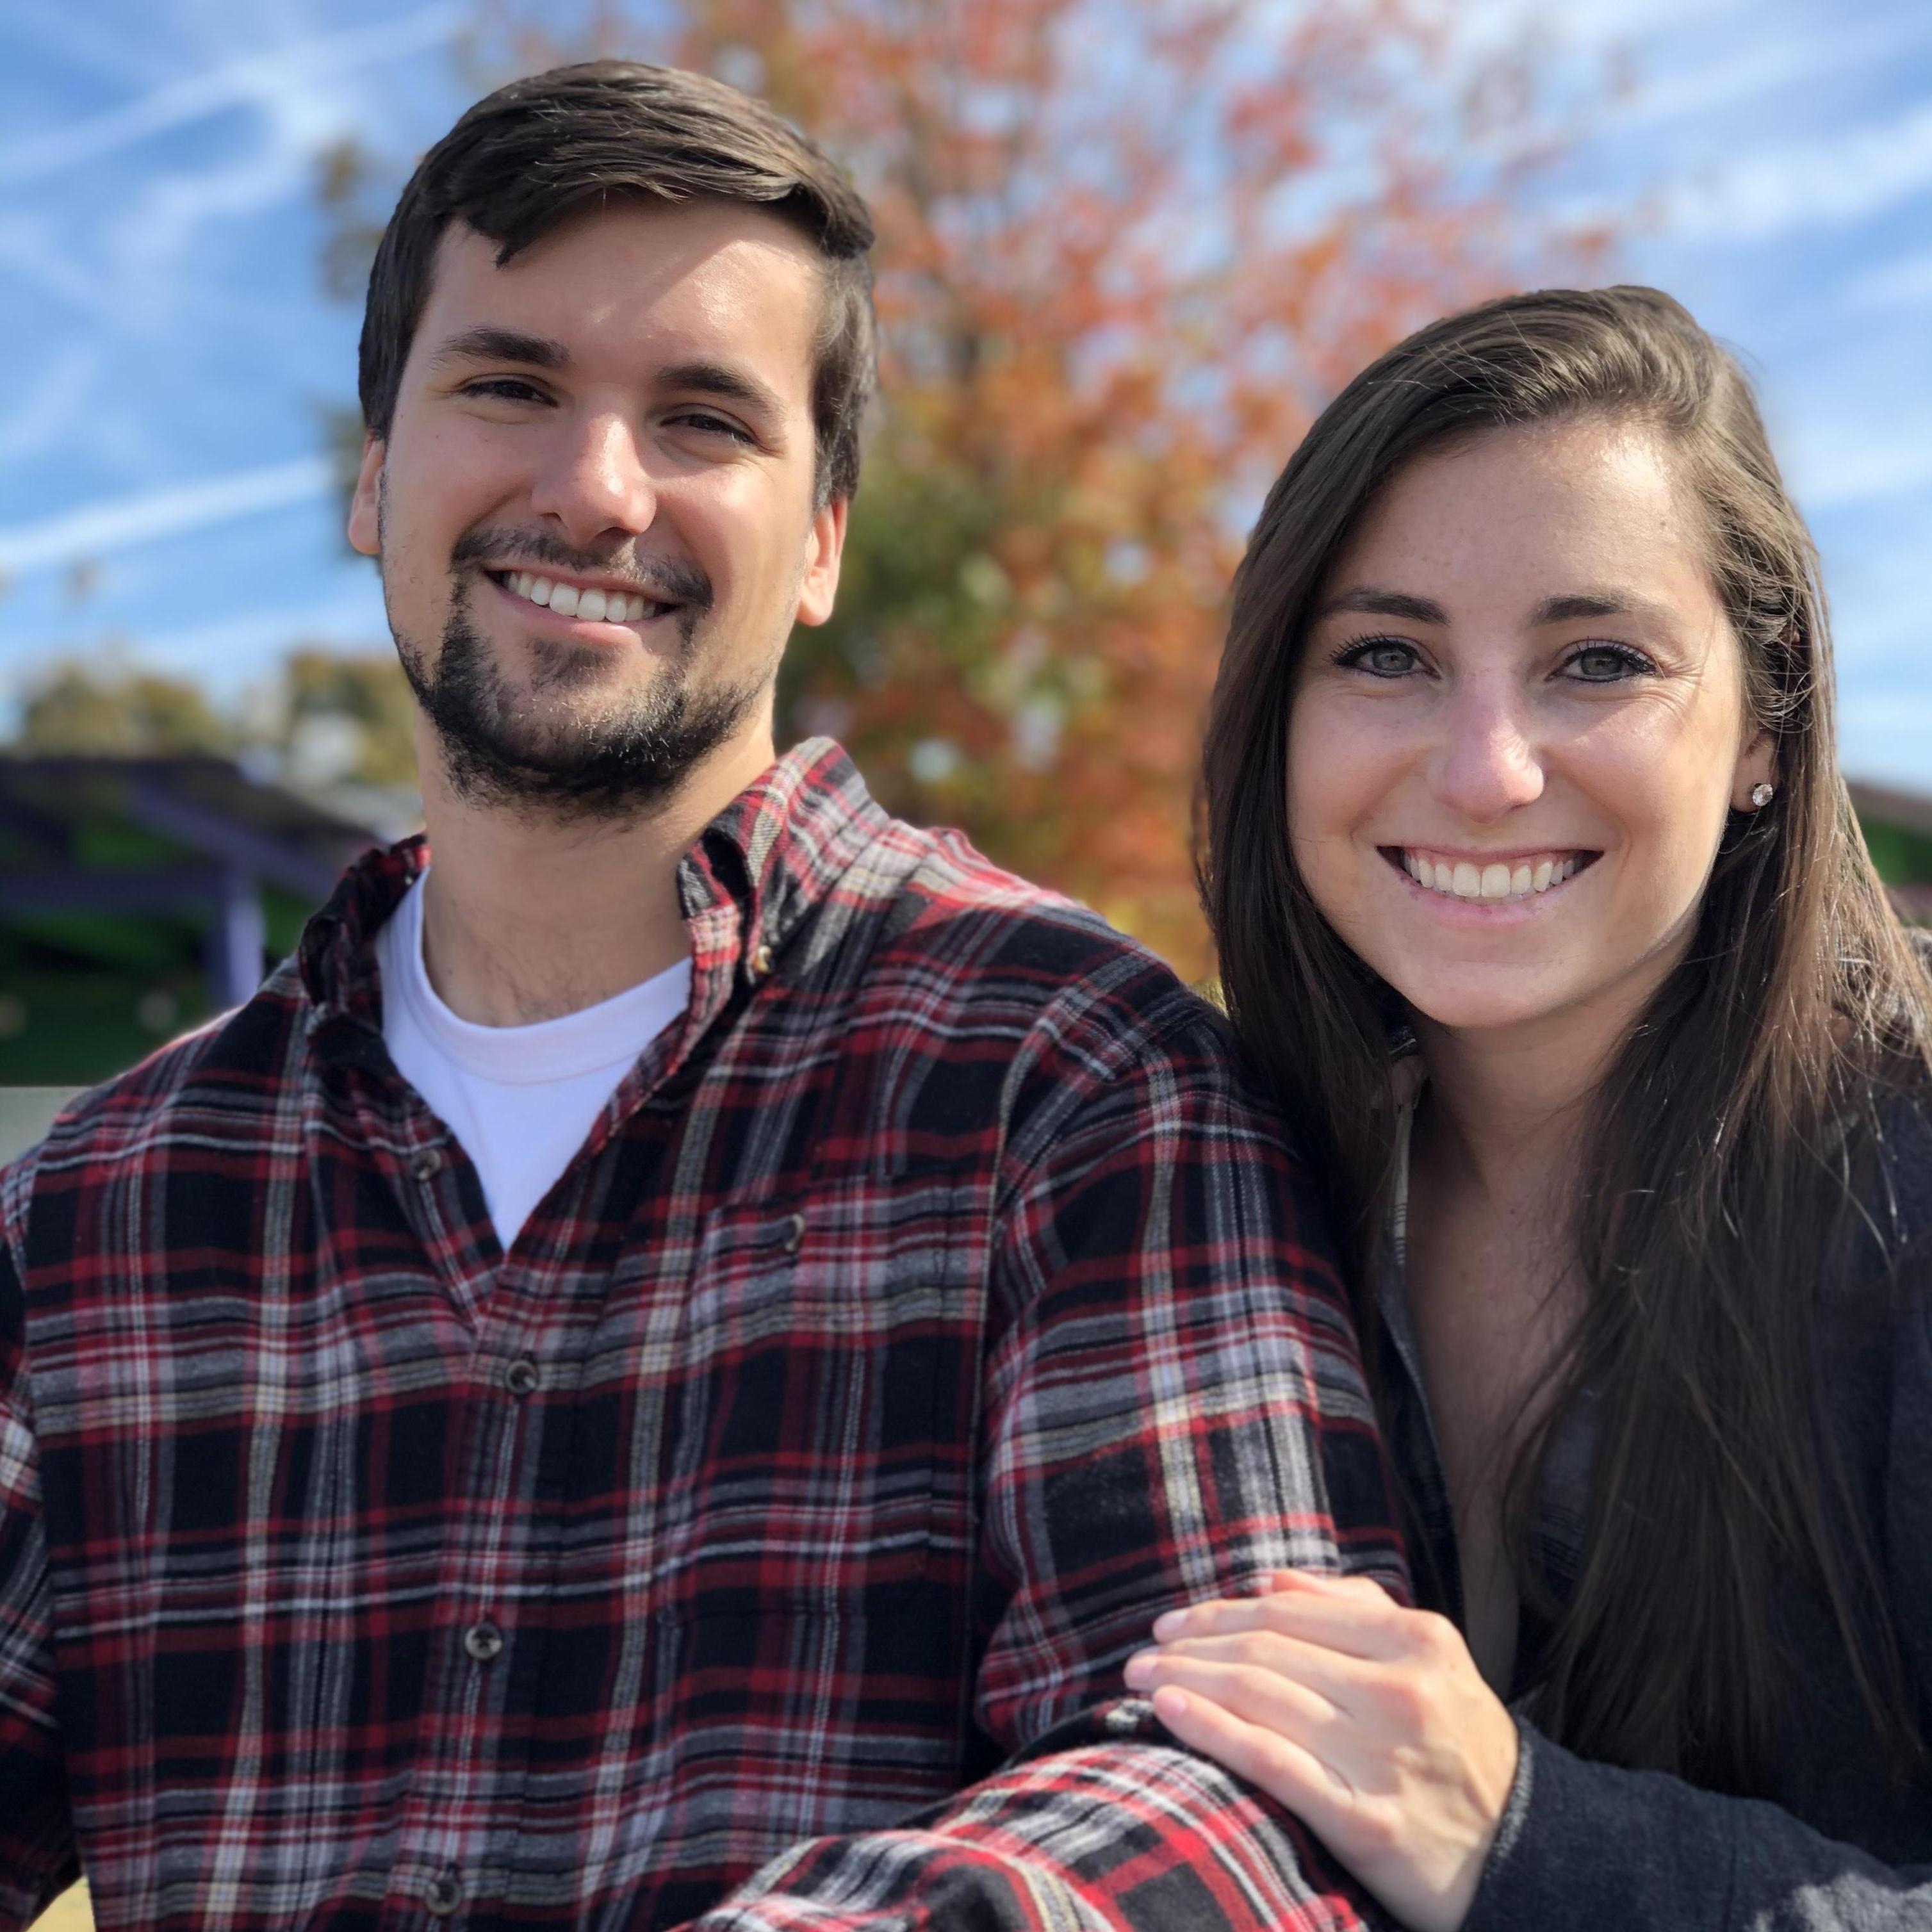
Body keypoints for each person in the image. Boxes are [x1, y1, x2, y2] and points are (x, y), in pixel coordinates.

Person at [0, 60, 1407, 1932]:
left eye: (701, 419)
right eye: (510, 385)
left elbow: (1242, 1786)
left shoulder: (1066, 1079)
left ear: (820, 540)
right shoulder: (107, 1201)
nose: (595, 490)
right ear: (374, 473)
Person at [1126, 285, 1932, 1928]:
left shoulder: (1901, 1200)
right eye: (1386, 655)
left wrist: (1527, 1837)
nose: (1486, 766)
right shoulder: (1176, 1164)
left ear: (1763, 732)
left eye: (1595, 661)